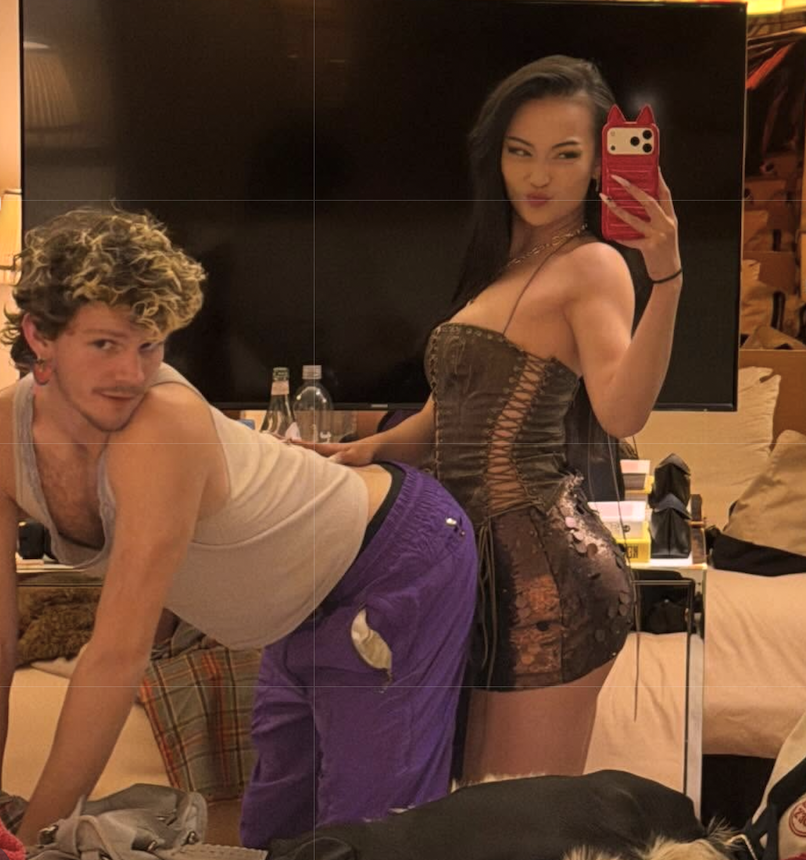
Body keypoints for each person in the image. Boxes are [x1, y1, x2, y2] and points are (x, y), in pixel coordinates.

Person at [0, 208, 477, 848]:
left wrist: (31, 841)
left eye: (150, 346)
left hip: (393, 557)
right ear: (39, 336)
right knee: (271, 839)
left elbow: (115, 656)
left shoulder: (161, 425)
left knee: (365, 842)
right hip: (292, 606)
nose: (131, 374)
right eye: (105, 345)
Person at [308, 55, 683, 780]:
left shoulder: (593, 264)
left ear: (598, 165)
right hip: (469, 573)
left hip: (547, 580)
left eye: (564, 155)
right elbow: (443, 419)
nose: (538, 176)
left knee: (514, 819)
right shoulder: (502, 262)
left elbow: (620, 410)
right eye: (520, 152)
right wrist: (360, 454)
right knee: (467, 808)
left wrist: (666, 278)